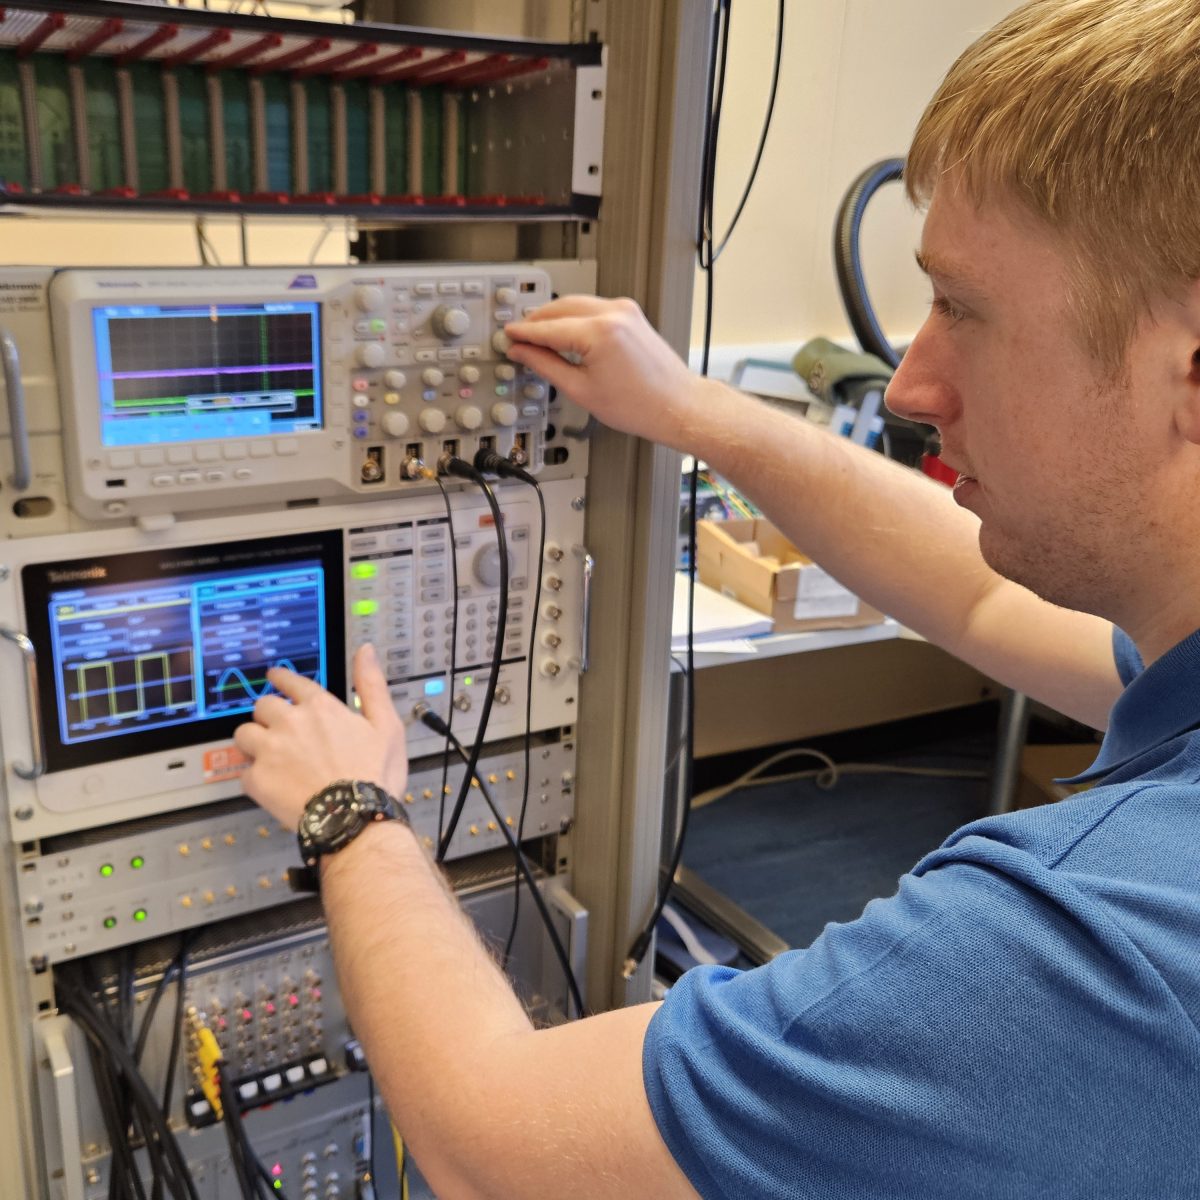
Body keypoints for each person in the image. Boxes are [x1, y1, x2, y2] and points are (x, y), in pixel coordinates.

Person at [233, 1, 1200, 1195]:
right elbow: (984, 600)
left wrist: (348, 812)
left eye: (963, 308)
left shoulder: (1091, 942)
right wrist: (691, 410)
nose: (909, 384)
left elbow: (489, 1145)